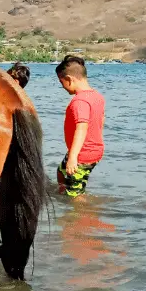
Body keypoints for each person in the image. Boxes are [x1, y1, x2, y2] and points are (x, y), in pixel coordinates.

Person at [55, 55, 105, 199]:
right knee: (61, 171)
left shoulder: (79, 102)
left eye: (61, 82)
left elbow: (81, 128)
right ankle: (62, 193)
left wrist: (73, 158)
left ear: (70, 79)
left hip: (82, 155)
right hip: (91, 150)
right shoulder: (97, 96)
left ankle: (82, 213)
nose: (62, 86)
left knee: (74, 195)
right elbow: (101, 121)